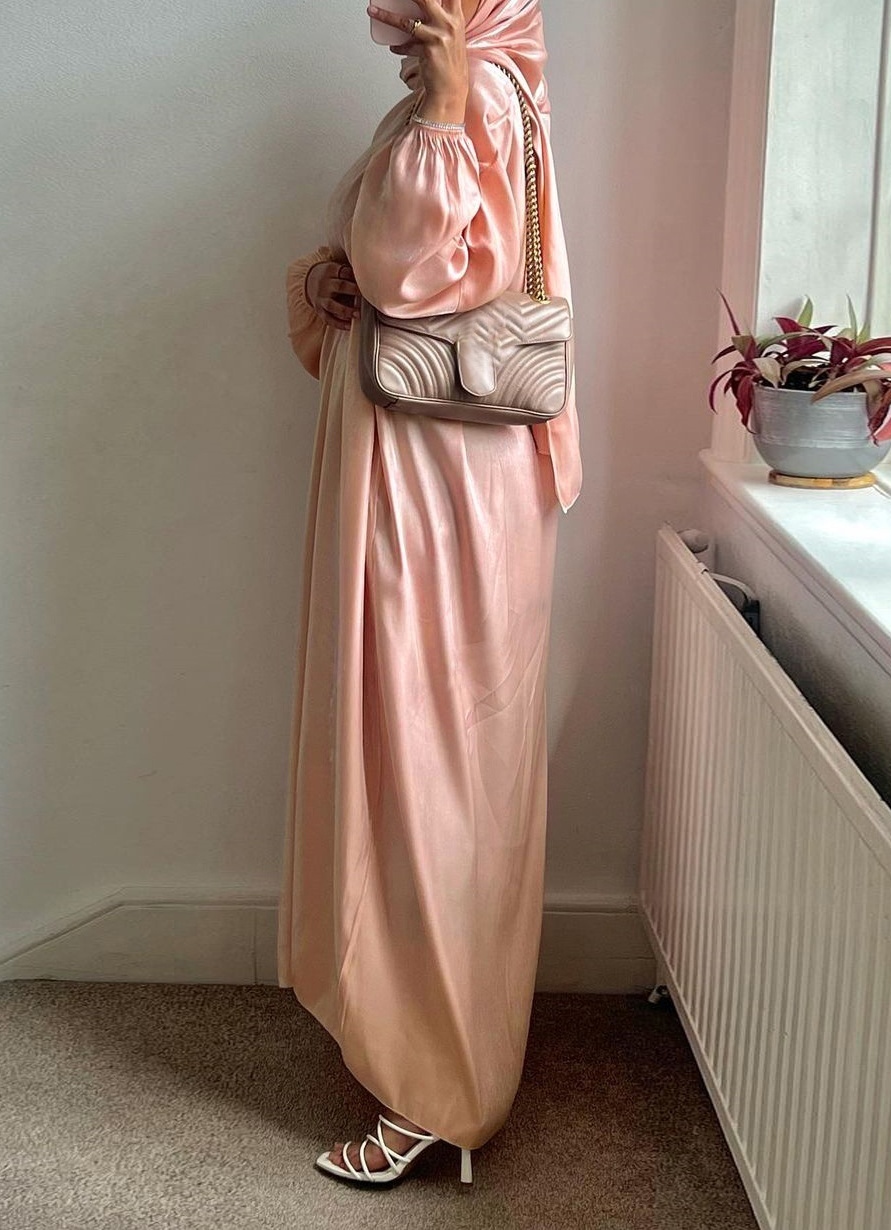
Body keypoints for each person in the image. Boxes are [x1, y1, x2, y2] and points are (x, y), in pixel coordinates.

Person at [277, 0, 582, 1188]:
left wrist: (447, 111)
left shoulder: (478, 99)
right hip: (424, 477)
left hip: (439, 494)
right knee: (424, 753)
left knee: (430, 762)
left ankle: (439, 1087)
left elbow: (418, 270)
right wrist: (329, 280)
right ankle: (417, 1046)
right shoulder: (450, 101)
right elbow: (386, 272)